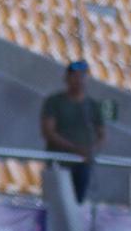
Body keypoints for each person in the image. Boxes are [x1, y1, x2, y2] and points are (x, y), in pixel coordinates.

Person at [39, 59, 107, 203]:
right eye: (75, 76)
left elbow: (101, 134)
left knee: (77, 203)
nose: (78, 80)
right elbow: (48, 132)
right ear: (67, 78)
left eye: (82, 76)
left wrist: (92, 151)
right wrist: (75, 150)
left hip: (82, 166)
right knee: (56, 203)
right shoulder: (54, 102)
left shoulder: (92, 106)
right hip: (59, 164)